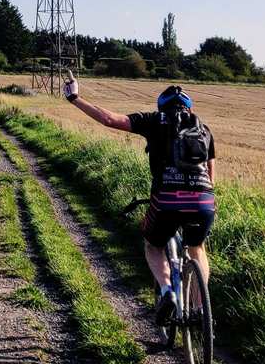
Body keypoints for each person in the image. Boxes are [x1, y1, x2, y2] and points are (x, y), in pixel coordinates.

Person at [63, 72, 215, 324]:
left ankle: (167, 292)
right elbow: (210, 176)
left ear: (161, 105)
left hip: (166, 200)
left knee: (153, 245)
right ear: (189, 107)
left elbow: (109, 119)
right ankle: (201, 309)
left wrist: (75, 98)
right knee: (197, 247)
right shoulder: (203, 129)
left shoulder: (154, 120)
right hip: (203, 200)